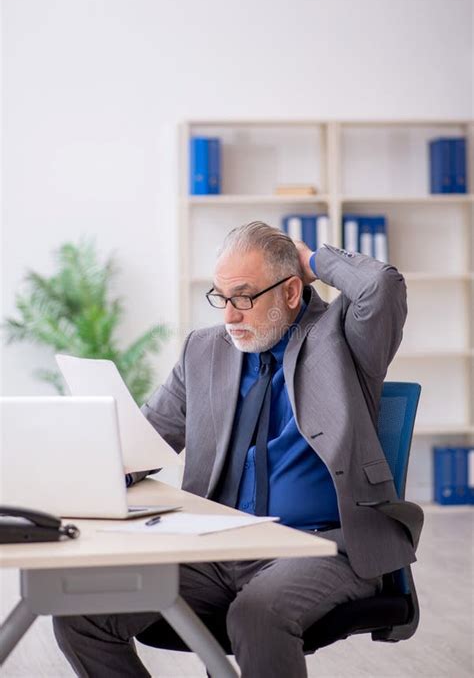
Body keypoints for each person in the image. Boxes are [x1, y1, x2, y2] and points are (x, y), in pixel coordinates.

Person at [54, 221, 421, 678]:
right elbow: (145, 440)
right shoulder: (203, 350)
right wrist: (96, 467)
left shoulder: (344, 337)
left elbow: (382, 285)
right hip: (216, 548)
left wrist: (309, 260)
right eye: (221, 297)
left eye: (244, 298)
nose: (229, 316)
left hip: (321, 547)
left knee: (256, 614)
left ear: (290, 292)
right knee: (78, 608)